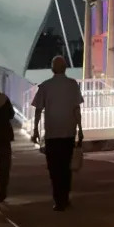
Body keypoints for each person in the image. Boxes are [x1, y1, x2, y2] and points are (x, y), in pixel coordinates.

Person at [31, 55, 85, 211]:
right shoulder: (72, 84)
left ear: (52, 68)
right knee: (66, 167)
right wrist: (80, 129)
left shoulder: (45, 86)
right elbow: (77, 109)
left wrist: (35, 129)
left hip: (52, 133)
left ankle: (58, 199)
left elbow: (38, 109)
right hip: (68, 132)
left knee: (54, 168)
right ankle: (65, 197)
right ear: (66, 68)